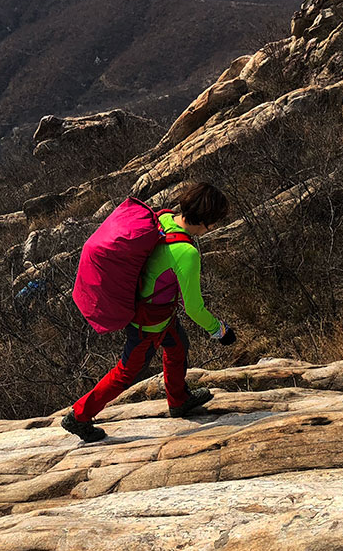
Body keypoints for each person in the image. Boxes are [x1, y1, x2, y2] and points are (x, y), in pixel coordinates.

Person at [63, 182, 236, 443]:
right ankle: (79, 416)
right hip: (149, 324)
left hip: (160, 315)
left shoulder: (165, 219)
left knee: (178, 346)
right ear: (206, 222)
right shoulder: (186, 253)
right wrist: (220, 331)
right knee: (126, 373)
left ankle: (179, 400)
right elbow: (194, 308)